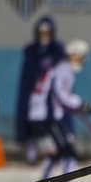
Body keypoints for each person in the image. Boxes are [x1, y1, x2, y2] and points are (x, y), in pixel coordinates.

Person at [28, 38, 91, 182]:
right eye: (82, 56)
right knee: (68, 152)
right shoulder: (64, 70)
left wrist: (75, 106)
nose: (83, 60)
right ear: (75, 54)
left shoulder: (57, 69)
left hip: (40, 117)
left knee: (55, 154)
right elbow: (61, 95)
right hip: (47, 118)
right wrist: (81, 104)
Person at [16, 15, 66, 165]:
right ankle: (39, 162)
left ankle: (54, 167)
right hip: (36, 109)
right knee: (44, 142)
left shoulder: (57, 53)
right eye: (41, 31)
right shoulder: (32, 53)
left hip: (51, 109)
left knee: (60, 146)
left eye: (47, 31)